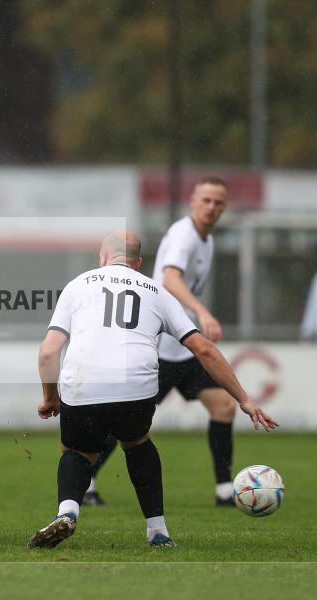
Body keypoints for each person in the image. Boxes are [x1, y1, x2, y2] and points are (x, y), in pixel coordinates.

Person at [28, 231, 277, 549]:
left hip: (83, 383)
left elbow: (49, 352)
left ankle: (67, 512)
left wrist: (50, 398)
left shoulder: (77, 286)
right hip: (137, 386)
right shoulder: (157, 291)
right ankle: (158, 531)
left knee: (77, 452)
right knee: (137, 443)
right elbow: (204, 349)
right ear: (139, 263)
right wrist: (244, 399)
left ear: (102, 258)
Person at [88, 177, 239, 507]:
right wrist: (202, 312)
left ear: (224, 207)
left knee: (223, 406)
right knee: (127, 420)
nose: (212, 207)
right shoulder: (184, 235)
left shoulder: (206, 240)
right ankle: (86, 482)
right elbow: (170, 279)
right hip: (159, 349)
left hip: (182, 351)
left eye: (218, 202)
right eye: (206, 200)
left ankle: (225, 491)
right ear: (193, 201)